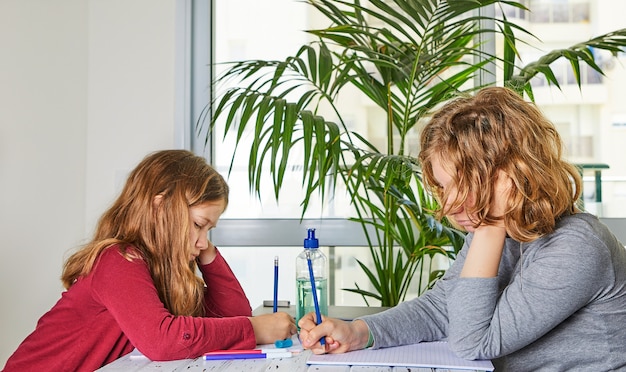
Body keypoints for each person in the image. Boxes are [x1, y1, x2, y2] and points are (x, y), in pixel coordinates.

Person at [298, 87, 626, 371]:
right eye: (444, 188)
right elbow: (442, 307)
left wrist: (491, 223)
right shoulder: (505, 233)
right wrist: (358, 332)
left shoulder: (577, 246)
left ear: (511, 175)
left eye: (464, 185)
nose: (450, 206)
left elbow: (472, 341)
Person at [3, 150, 296, 372]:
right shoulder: (118, 259)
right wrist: (254, 329)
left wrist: (206, 252)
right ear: (160, 208)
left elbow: (232, 314)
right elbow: (162, 340)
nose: (203, 241)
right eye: (197, 224)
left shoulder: (160, 272)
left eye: (210, 229)